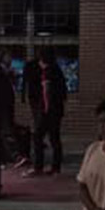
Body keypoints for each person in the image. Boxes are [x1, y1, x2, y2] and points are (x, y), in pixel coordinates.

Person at [22, 47, 68, 176]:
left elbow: (47, 92)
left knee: (38, 137)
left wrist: (44, 110)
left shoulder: (48, 72)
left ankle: (39, 167)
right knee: (54, 138)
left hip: (47, 111)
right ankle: (55, 167)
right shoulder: (56, 70)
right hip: (55, 110)